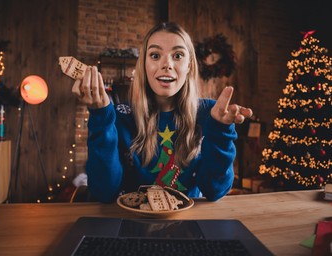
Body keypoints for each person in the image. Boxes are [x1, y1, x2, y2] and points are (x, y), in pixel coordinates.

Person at [71, 22, 253, 203]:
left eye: (178, 55)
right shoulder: (121, 116)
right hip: (131, 223)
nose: (167, 64)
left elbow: (214, 191)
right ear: (144, 65)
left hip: (189, 225)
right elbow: (104, 192)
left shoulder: (209, 114)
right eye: (155, 55)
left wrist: (220, 131)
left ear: (189, 65)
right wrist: (101, 118)